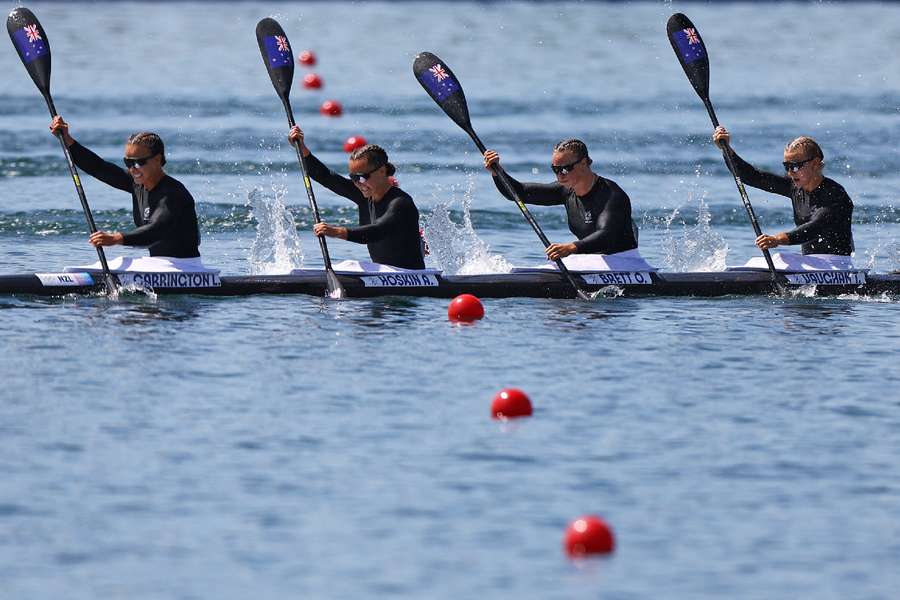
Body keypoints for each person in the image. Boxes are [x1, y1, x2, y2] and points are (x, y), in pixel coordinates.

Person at [49, 116, 201, 258]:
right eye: (128, 163)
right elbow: (98, 167)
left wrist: (116, 238)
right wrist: (67, 140)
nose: (133, 169)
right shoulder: (137, 183)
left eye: (138, 162)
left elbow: (156, 231)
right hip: (158, 265)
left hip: (187, 268)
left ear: (157, 159)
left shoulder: (173, 194)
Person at [288, 126, 425, 270]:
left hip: (411, 276)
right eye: (353, 178)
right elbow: (326, 177)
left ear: (382, 171)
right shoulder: (364, 196)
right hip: (383, 273)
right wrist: (301, 148)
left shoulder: (401, 203)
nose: (359, 184)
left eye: (362, 177)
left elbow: (377, 232)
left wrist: (336, 231)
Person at [482, 139, 638, 262]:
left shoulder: (612, 195)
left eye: (565, 169)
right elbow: (517, 193)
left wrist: (571, 247)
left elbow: (606, 236)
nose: (560, 175)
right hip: (591, 259)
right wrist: (497, 172)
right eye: (555, 169)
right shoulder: (565, 191)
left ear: (583, 163)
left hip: (624, 261)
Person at [713, 126, 853, 256]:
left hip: (839, 265)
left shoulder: (836, 195)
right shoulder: (795, 187)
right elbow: (752, 177)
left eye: (796, 166)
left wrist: (778, 239)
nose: (791, 172)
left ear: (815, 163)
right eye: (787, 166)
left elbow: (816, 227)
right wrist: (726, 149)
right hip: (811, 264)